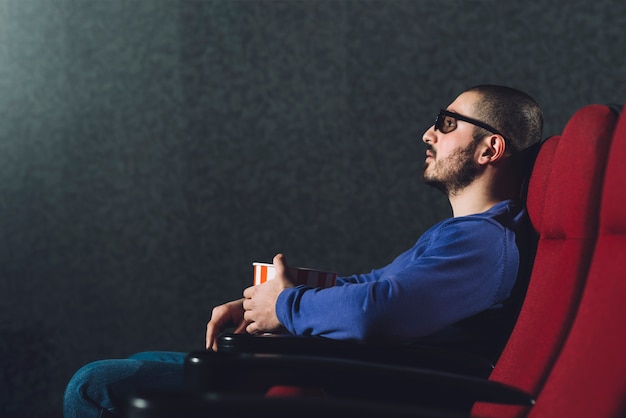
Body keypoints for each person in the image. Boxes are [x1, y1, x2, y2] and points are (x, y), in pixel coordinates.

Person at [63, 84, 543, 417]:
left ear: (489, 149)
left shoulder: (484, 243)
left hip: (357, 387)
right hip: (343, 370)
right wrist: (267, 300)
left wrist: (287, 307)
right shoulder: (459, 234)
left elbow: (379, 313)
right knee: (141, 361)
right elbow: (375, 284)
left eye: (447, 122)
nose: (428, 134)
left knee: (96, 384)